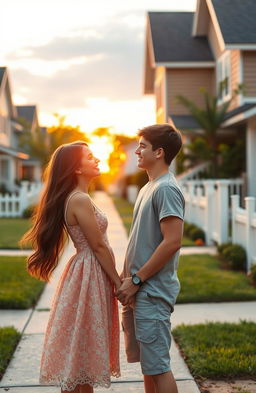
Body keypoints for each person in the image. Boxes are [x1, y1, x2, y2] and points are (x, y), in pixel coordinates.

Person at [21, 141, 121, 393]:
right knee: (82, 358)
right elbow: (98, 246)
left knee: (81, 357)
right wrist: (120, 285)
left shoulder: (79, 197)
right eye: (90, 157)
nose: (97, 160)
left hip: (87, 272)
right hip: (89, 272)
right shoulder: (79, 199)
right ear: (76, 168)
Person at [116, 124, 185, 393]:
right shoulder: (149, 187)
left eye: (142, 146)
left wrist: (136, 279)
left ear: (159, 152)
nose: (137, 151)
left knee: (158, 367)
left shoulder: (166, 188)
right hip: (139, 291)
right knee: (149, 366)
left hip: (151, 291)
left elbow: (173, 242)